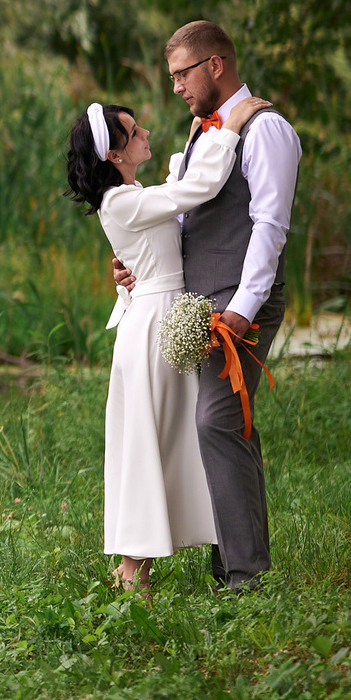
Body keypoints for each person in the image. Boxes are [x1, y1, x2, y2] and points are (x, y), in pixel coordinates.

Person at [111, 20, 303, 593]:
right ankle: (229, 558)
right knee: (223, 424)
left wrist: (244, 309)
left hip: (240, 304)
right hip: (195, 303)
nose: (175, 88)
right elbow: (180, 216)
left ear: (215, 65)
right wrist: (136, 267)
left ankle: (243, 576)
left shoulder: (267, 131)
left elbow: (270, 227)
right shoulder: (202, 133)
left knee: (217, 419)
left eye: (181, 75)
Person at [70, 95, 267, 592]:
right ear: (114, 155)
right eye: (134, 133)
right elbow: (197, 189)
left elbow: (160, 229)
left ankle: (140, 566)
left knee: (170, 440)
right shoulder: (121, 200)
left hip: (162, 318)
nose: (146, 135)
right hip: (154, 328)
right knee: (149, 440)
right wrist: (231, 126)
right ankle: (134, 571)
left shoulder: (134, 194)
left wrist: (124, 275)